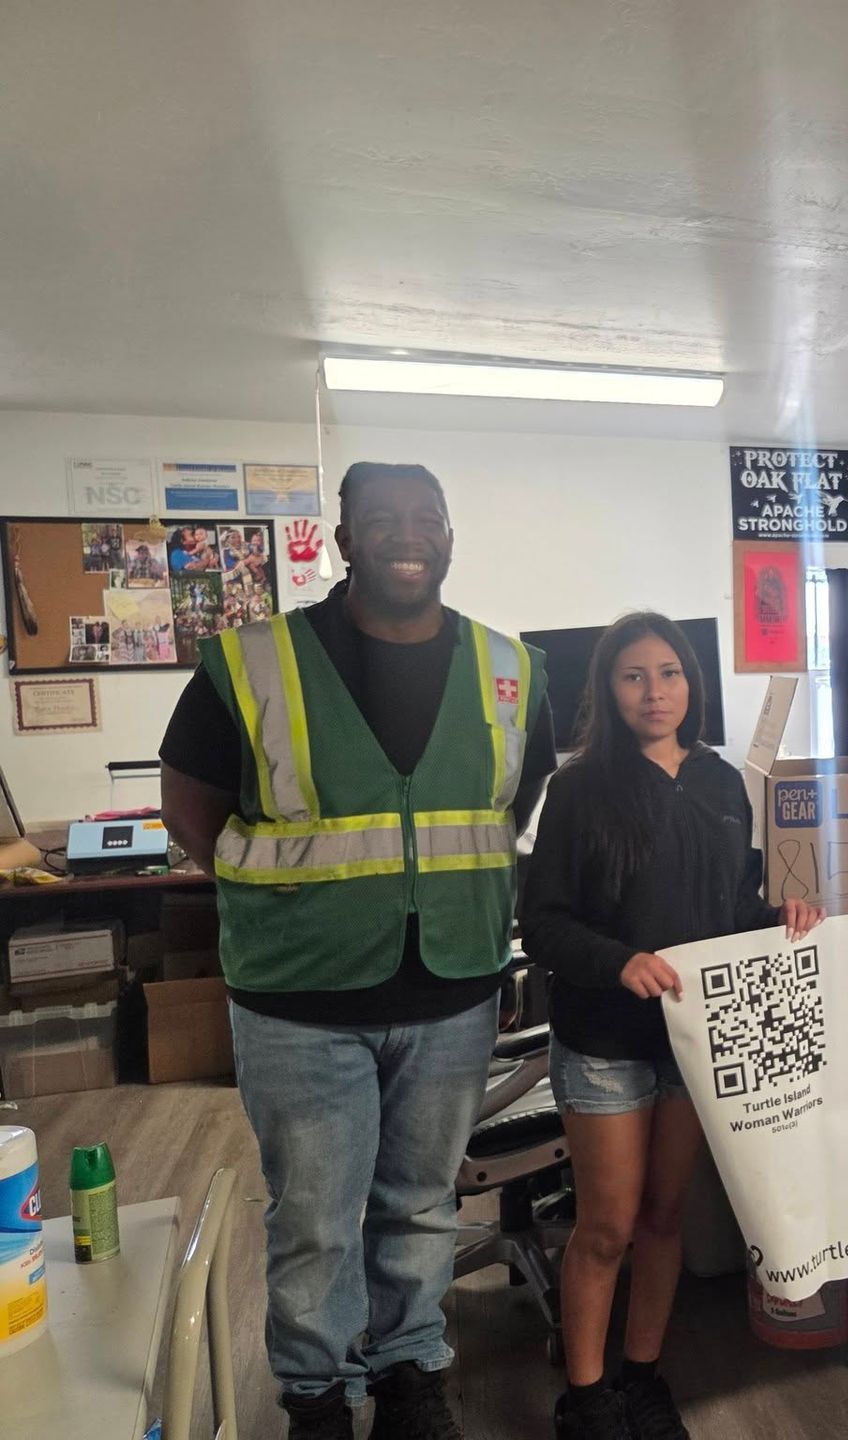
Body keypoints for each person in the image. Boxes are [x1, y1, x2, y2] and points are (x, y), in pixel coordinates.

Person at [160, 461, 557, 1440]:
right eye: (383, 517)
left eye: (428, 516)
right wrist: (287, 898)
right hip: (301, 996)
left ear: (450, 535)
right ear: (343, 539)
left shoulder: (510, 668)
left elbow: (511, 803)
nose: (407, 533)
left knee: (422, 1204)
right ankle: (319, 1398)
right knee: (315, 1218)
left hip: (453, 988)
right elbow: (190, 809)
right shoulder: (251, 662)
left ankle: (411, 1373)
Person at [522, 612, 824, 1440]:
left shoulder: (721, 783)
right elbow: (541, 923)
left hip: (693, 1041)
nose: (654, 692)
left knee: (664, 1219)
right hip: (605, 1042)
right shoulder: (577, 789)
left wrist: (780, 916)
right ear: (607, 688)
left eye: (669, 674)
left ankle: (642, 1379)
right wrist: (618, 960)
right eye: (633, 676)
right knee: (607, 1226)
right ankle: (587, 1401)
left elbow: (730, 907)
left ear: (691, 684)